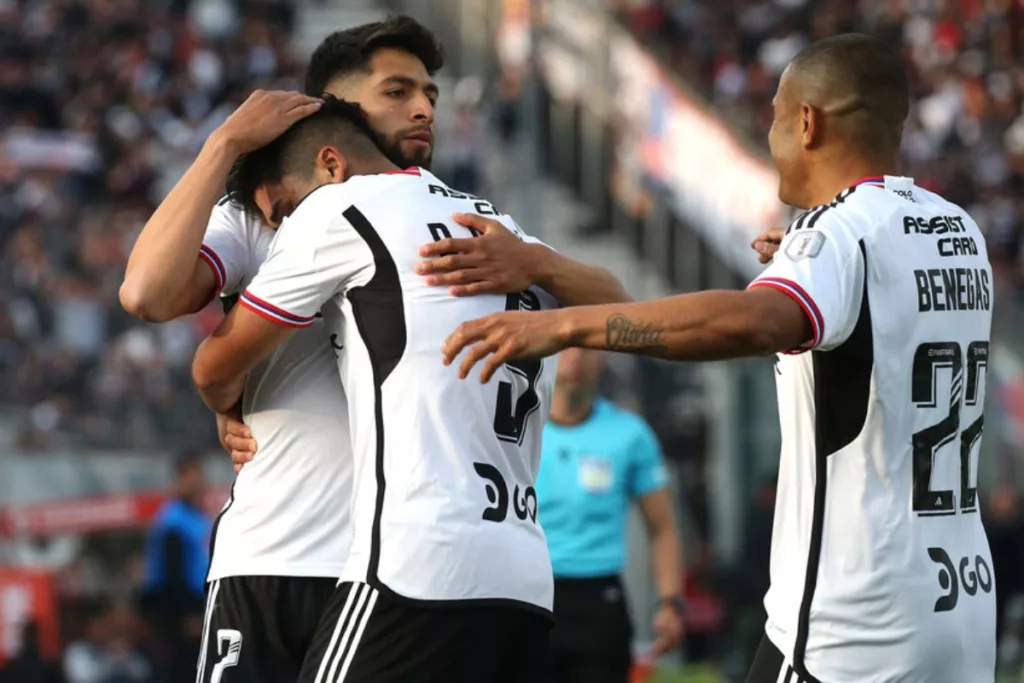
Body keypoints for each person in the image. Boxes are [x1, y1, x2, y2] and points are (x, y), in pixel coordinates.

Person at [443, 33, 997, 683]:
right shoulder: (957, 229)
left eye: (775, 118)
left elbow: (750, 322)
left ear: (807, 122)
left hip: (857, 619)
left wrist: (563, 324)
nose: (771, 135)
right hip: (960, 604)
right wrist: (802, 262)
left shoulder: (839, 234)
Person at [120, 15, 631, 683]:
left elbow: (615, 303)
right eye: (397, 91)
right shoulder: (267, 209)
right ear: (334, 109)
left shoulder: (457, 220)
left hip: (395, 564)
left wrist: (539, 262)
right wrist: (224, 145)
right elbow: (147, 293)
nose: (423, 109)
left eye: (430, 94)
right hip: (281, 554)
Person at [191, 97, 556, 683]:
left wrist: (225, 404)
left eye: (284, 210)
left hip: (418, 561)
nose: (280, 228)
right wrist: (547, 266)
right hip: (524, 574)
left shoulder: (341, 208)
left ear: (331, 164)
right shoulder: (502, 227)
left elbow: (210, 363)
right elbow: (619, 305)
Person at [537, 348, 684, 683]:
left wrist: (670, 603)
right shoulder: (516, 430)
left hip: (598, 602)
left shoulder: (630, 434)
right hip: (528, 596)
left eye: (586, 345)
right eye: (566, 344)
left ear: (603, 356)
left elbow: (662, 527)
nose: (576, 357)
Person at [141, 452, 210, 683]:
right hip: (181, 611)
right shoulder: (173, 520)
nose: (197, 483)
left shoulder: (197, 517)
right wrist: (187, 614)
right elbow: (173, 573)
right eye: (190, 477)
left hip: (198, 605)